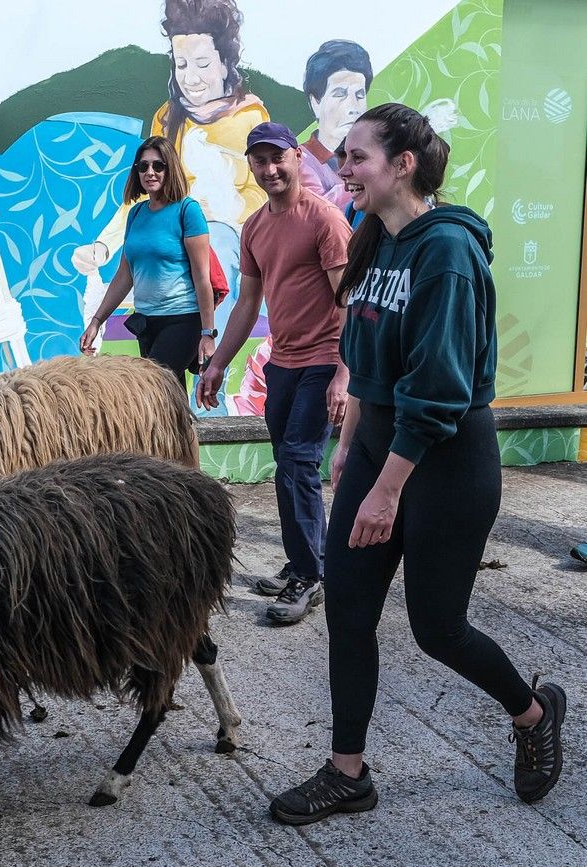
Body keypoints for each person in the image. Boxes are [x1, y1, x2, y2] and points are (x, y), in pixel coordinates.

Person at [269, 103, 566, 825]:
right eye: (341, 159)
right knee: (348, 609)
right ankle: (349, 773)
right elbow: (369, 359)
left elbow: (438, 390)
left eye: (356, 158)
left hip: (444, 463)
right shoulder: (378, 241)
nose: (342, 171)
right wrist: (350, 447)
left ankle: (532, 713)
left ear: (403, 164)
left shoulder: (449, 252)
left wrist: (386, 492)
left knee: (438, 628)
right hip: (379, 451)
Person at [195, 122, 352, 625]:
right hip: (281, 363)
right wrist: (218, 362)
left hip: (324, 359)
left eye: (277, 159)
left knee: (299, 462)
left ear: (298, 158)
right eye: (259, 161)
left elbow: (350, 302)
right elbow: (246, 303)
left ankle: (311, 575)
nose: (269, 170)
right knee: (287, 465)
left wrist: (344, 375)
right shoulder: (256, 227)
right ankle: (304, 562)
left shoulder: (325, 220)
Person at [75, 0, 269, 311]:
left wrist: (222, 206)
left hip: (227, 237)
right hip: (173, 235)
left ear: (224, 64)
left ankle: (212, 355)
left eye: (202, 64)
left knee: (210, 241)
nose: (191, 78)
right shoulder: (167, 119)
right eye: (182, 65)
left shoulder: (250, 117)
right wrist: (103, 245)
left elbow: (266, 195)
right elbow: (145, 194)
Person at [80, 136, 216, 388]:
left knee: (151, 388)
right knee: (169, 401)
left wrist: (208, 333)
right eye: (143, 166)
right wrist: (97, 321)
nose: (150, 172)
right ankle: (184, 429)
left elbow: (202, 277)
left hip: (182, 320)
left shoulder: (187, 210)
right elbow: (124, 275)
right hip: (146, 322)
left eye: (158, 165)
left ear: (170, 168)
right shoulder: (136, 214)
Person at [299, 40, 373, 207]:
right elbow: (318, 212)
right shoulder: (299, 160)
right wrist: (374, 177)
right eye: (340, 94)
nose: (353, 107)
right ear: (315, 103)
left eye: (360, 95)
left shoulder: (374, 153)